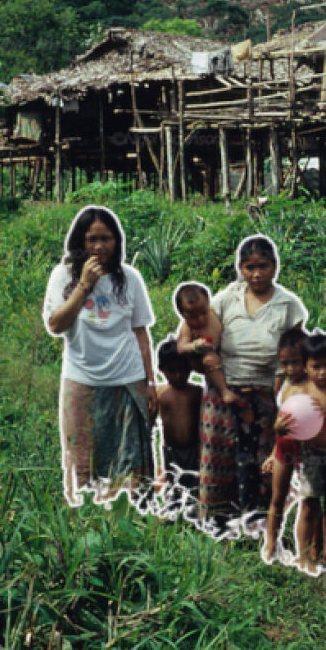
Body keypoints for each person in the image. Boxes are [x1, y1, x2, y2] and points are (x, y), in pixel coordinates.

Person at [43, 206, 158, 511]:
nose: (98, 246)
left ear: (117, 242)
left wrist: (150, 382)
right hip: (82, 378)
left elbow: (141, 334)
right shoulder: (63, 276)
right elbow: (56, 325)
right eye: (91, 239)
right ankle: (86, 514)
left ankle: (132, 516)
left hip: (127, 377)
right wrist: (83, 285)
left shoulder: (130, 278)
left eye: (106, 238)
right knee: (82, 453)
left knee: (131, 454)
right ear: (79, 243)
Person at [197, 235, 307, 537]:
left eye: (263, 266)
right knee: (221, 457)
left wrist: (284, 393)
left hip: (267, 394)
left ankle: (262, 523)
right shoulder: (224, 300)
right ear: (240, 269)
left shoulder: (288, 305)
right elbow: (202, 334)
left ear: (275, 267)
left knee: (264, 460)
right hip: (225, 391)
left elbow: (294, 353)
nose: (256, 274)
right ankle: (219, 524)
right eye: (249, 267)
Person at [288, 331, 326, 573]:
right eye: (316, 367)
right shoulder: (300, 391)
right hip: (310, 455)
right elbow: (284, 423)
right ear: (305, 367)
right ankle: (304, 554)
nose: (323, 372)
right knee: (309, 504)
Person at [262, 327, 308, 566]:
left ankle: (307, 548)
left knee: (309, 499)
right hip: (283, 448)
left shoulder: (313, 387)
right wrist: (272, 454)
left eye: (296, 363)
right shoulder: (286, 387)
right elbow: (281, 422)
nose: (290, 369)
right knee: (277, 497)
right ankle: (270, 543)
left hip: (306, 449)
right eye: (285, 364)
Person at [173, 282, 238, 407]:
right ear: (182, 314)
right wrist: (194, 345)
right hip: (204, 358)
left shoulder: (216, 312)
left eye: (203, 313)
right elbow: (181, 347)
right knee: (210, 358)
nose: (200, 319)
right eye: (193, 316)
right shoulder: (187, 327)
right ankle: (224, 390)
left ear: (209, 304)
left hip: (226, 354)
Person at [156, 338, 203, 497]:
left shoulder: (197, 392)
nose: (178, 375)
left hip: (195, 450)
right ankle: (174, 516)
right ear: (161, 369)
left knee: (195, 486)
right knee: (174, 485)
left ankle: (194, 517)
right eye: (172, 370)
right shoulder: (160, 393)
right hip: (171, 451)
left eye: (184, 370)